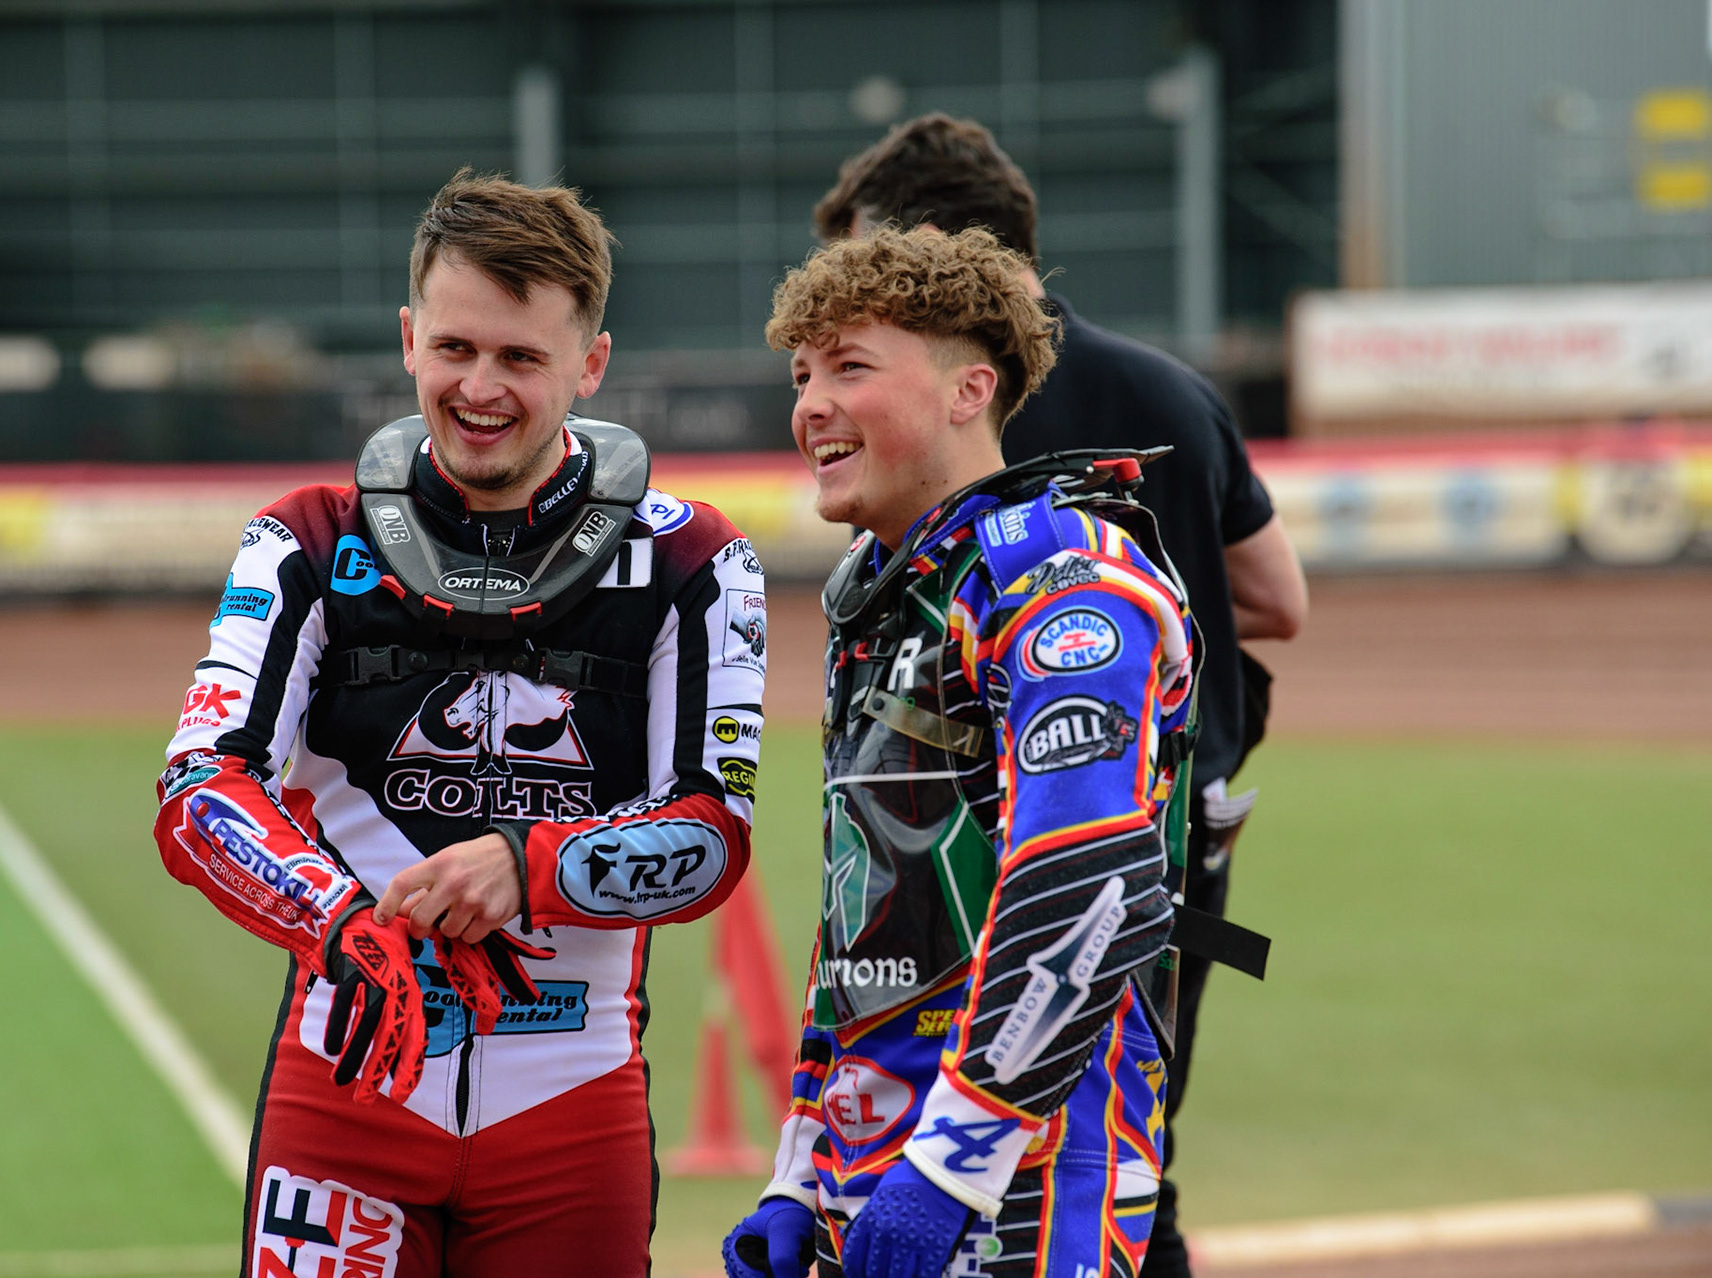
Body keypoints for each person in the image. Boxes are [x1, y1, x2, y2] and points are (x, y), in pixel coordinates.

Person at [152, 171, 767, 1278]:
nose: (481, 389)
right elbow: (200, 789)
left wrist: (532, 871)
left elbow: (712, 832)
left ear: (591, 364)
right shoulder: (302, 537)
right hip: (345, 1086)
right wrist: (343, 923)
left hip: (572, 1101)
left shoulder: (695, 560)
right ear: (407, 339)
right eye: (455, 349)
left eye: (522, 359)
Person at [813, 114, 1308, 1277]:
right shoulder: (1172, 393)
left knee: (1061, 1158)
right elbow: (1279, 601)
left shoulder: (974, 465)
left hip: (1026, 876)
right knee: (1135, 1152)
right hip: (1179, 852)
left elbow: (1069, 887)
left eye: (855, 332)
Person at [724, 224, 1196, 1278]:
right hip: (874, 1167)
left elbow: (1089, 889)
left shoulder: (1061, 582)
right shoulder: (887, 594)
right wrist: (799, 1167)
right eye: (802, 374)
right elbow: (865, 902)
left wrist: (950, 1169)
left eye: (851, 367)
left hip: (1020, 1181)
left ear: (968, 389)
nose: (810, 404)